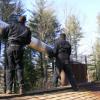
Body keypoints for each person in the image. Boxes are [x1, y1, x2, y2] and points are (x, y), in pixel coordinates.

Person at [2, 16, 31, 94]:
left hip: (10, 47)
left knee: (9, 69)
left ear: (18, 20)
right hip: (19, 49)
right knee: (19, 68)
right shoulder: (27, 29)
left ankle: (9, 89)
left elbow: (4, 32)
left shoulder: (12, 25)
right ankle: (21, 88)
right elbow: (28, 42)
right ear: (25, 21)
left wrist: (7, 38)